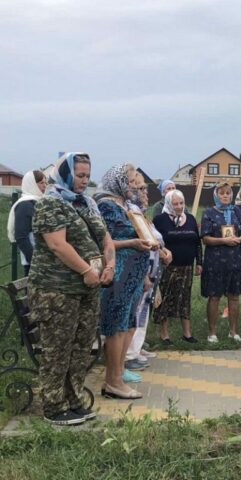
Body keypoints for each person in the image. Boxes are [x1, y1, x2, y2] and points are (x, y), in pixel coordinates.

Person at [29, 152, 115, 425]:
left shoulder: (88, 203)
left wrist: (109, 266)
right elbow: (58, 244)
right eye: (79, 176)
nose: (84, 181)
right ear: (65, 174)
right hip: (57, 290)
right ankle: (53, 406)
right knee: (58, 347)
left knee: (80, 346)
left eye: (87, 176)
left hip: (87, 289)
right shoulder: (51, 203)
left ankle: (73, 397)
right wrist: (86, 270)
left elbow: (106, 239)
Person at [96, 164, 152, 399]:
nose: (132, 185)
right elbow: (103, 241)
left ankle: (119, 373)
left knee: (127, 324)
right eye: (128, 181)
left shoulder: (123, 205)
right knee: (116, 326)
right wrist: (132, 243)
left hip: (132, 275)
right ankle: (113, 381)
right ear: (117, 181)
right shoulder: (106, 206)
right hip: (118, 274)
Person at [125, 173, 173, 369]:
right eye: (141, 189)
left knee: (143, 311)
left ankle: (136, 347)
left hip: (153, 269)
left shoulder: (142, 213)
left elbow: (154, 239)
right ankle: (129, 353)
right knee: (135, 312)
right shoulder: (132, 211)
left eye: (145, 188)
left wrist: (163, 250)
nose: (145, 192)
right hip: (142, 269)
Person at [200, 181, 241, 343]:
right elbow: (206, 238)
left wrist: (238, 238)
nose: (225, 196)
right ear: (216, 195)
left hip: (235, 261)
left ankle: (233, 332)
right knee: (214, 297)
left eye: (228, 193)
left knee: (234, 297)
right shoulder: (208, 212)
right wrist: (223, 240)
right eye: (222, 193)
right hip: (214, 262)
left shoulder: (237, 211)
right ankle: (212, 333)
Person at [153, 189, 202, 344]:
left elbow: (197, 243)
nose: (179, 206)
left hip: (187, 266)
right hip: (167, 267)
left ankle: (187, 333)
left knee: (184, 299)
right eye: (175, 204)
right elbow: (156, 243)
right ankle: (164, 334)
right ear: (168, 203)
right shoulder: (160, 220)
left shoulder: (191, 219)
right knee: (166, 298)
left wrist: (199, 262)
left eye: (181, 203)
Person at [7, 170, 47, 276]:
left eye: (45, 183)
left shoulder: (38, 202)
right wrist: (34, 261)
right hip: (34, 264)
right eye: (41, 183)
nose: (45, 186)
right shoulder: (25, 205)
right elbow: (21, 236)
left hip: (43, 261)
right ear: (32, 184)